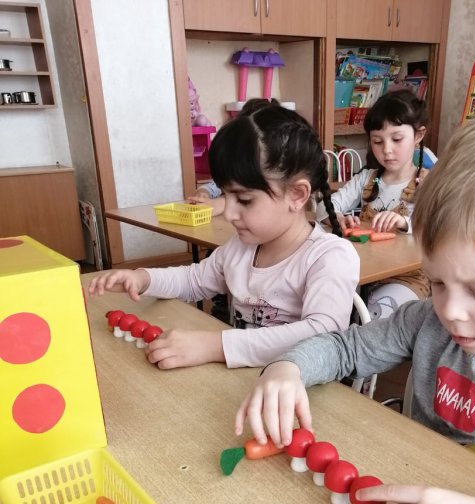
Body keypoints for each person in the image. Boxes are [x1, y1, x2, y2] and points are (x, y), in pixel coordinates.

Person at [235, 109, 475, 504]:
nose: (450, 310)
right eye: (438, 282)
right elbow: (345, 347)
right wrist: (288, 369)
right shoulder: (429, 321)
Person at [88, 104, 359, 370]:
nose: (228, 213)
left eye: (244, 199)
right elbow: (193, 280)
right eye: (226, 195)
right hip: (241, 381)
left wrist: (216, 346)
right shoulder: (242, 247)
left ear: (297, 195)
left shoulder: (329, 257)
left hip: (295, 391)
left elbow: (322, 335)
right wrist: (142, 279)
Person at [318, 90, 432, 321]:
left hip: (407, 278)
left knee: (372, 319)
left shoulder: (429, 182)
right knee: (328, 308)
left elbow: (438, 225)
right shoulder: (368, 179)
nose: (386, 150)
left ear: (418, 135)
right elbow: (325, 206)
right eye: (378, 141)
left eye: (397, 139)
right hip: (362, 274)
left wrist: (405, 222)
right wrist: (337, 217)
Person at [187, 98, 282, 217]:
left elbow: (267, 198)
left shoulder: (275, 175)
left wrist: (223, 203)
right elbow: (216, 186)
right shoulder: (237, 168)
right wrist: (203, 192)